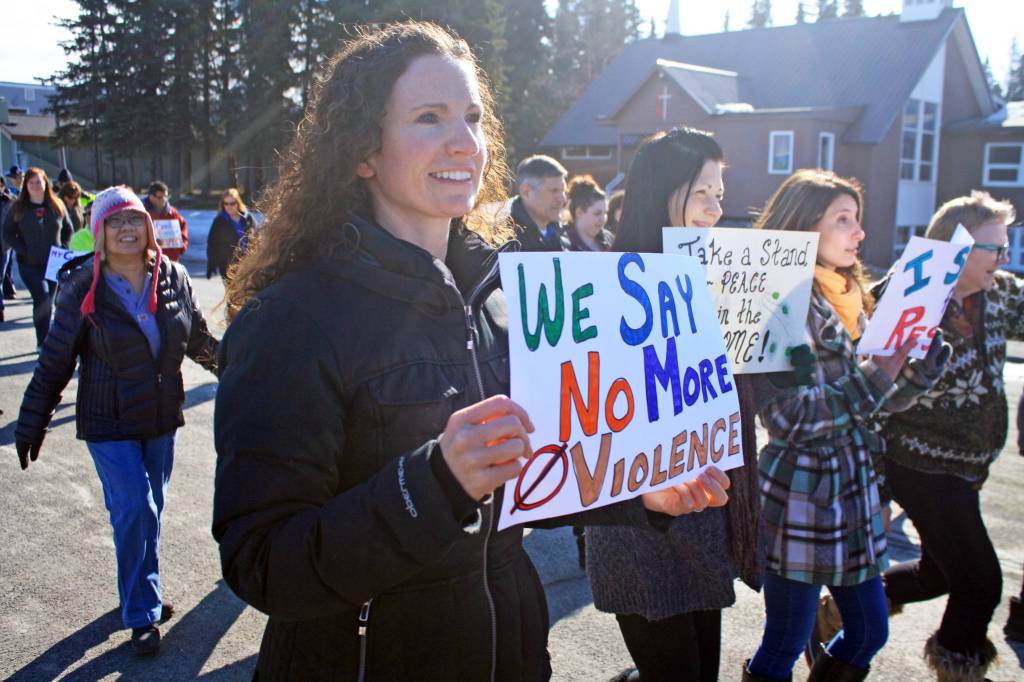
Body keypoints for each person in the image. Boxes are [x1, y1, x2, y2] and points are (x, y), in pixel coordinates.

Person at [211, 21, 730, 681]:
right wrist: (433, 482)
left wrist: (638, 492)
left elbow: (538, 474)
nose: (464, 143)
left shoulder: (501, 294)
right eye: (429, 118)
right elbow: (264, 563)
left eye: (474, 118)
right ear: (362, 150)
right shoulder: (291, 319)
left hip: (511, 656)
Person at [743, 169, 949, 682]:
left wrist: (916, 373)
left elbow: (868, 402)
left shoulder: (848, 297)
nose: (859, 233)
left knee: (870, 632)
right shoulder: (778, 303)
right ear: (804, 228)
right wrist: (883, 369)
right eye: (844, 220)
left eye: (857, 220)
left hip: (853, 499)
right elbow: (789, 417)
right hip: (801, 506)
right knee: (786, 641)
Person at [585, 127, 762, 682]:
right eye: (702, 193)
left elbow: (743, 399)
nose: (715, 210)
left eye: (720, 195)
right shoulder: (605, 288)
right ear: (662, 192)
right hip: (637, 525)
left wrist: (774, 349)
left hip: (704, 516)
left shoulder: (723, 281)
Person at [13, 185, 219, 655]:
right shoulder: (82, 285)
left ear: (148, 226)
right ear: (98, 232)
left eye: (133, 220)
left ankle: (137, 587)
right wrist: (32, 422)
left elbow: (201, 341)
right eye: (114, 222)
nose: (126, 229)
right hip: (107, 421)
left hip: (160, 417)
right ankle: (143, 613)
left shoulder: (173, 276)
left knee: (151, 511)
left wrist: (244, 375)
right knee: (135, 508)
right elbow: (54, 362)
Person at [874, 192, 1021, 681]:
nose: (1003, 259)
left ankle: (850, 606)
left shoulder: (999, 293)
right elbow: (872, 387)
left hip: (969, 467)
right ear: (956, 248)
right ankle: (959, 667)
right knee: (980, 583)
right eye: (994, 249)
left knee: (939, 573)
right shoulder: (911, 295)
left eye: (1006, 247)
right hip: (919, 464)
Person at [1, 167, 73, 347]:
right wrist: (22, 249)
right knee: (42, 297)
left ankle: (48, 339)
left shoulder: (56, 204)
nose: (35, 186)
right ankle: (43, 342)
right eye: (31, 182)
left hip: (54, 262)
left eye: (38, 182)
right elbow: (8, 233)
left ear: (45, 183)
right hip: (29, 264)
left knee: (49, 303)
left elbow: (69, 228)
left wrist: (62, 247)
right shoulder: (18, 207)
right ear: (26, 185)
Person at [509, 154, 569, 251]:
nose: (562, 199)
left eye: (564, 191)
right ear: (526, 192)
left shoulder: (562, 235)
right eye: (554, 190)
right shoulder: (507, 239)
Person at [206, 188, 254, 281]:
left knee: (248, 294)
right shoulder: (219, 221)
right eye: (226, 204)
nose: (229, 206)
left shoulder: (247, 218)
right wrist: (211, 266)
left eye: (232, 203)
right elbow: (212, 244)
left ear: (238, 203)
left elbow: (257, 237)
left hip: (248, 266)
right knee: (234, 294)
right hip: (228, 267)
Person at [564, 175, 612, 252]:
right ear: (579, 212)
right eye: (597, 213)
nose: (603, 219)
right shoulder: (563, 242)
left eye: (605, 213)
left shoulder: (608, 238)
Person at [144, 181, 188, 261]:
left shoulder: (173, 213)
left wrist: (181, 246)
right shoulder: (142, 213)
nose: (164, 200)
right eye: (160, 197)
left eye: (166, 196)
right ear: (151, 197)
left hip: (172, 261)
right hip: (150, 260)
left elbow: (183, 228)